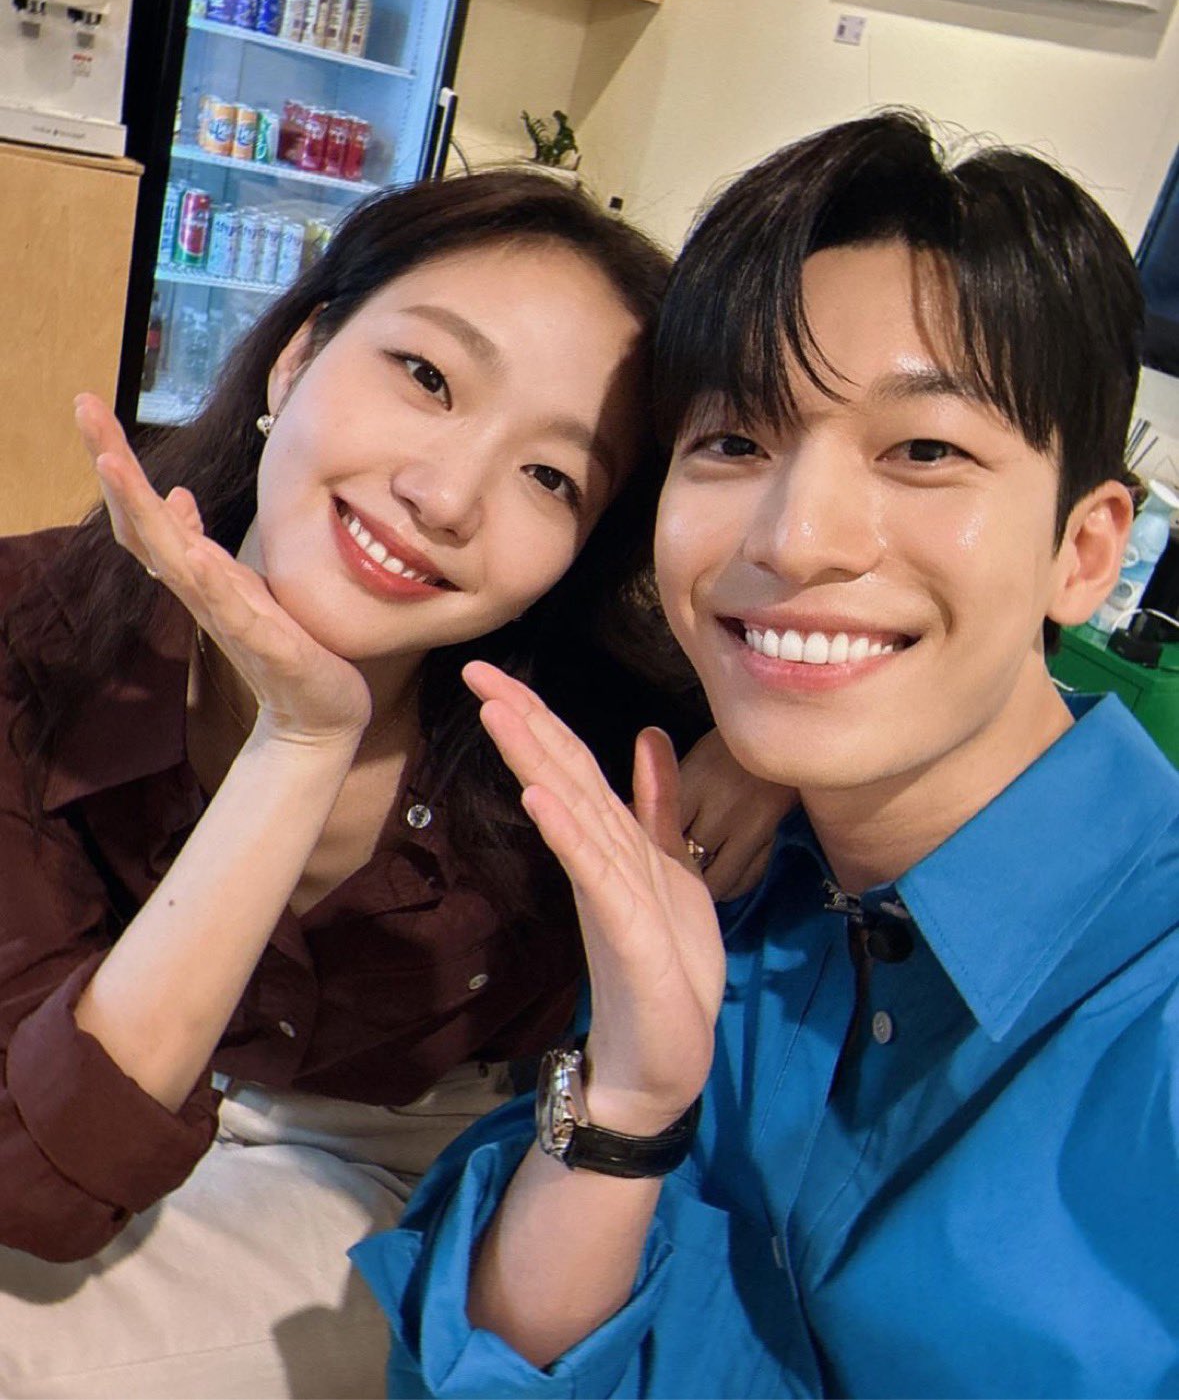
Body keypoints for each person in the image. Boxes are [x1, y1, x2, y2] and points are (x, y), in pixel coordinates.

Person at [351, 112, 1179, 1398]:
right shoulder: (711, 878)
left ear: (1084, 551)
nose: (794, 539)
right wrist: (627, 1105)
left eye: (924, 450)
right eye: (734, 442)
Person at [0, 169, 791, 1399]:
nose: (446, 496)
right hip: (81, 1072)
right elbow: (42, 1174)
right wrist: (299, 741)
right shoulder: (32, 637)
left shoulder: (583, 729)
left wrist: (763, 742)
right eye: (428, 376)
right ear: (299, 355)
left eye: (552, 478)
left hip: (380, 1163)